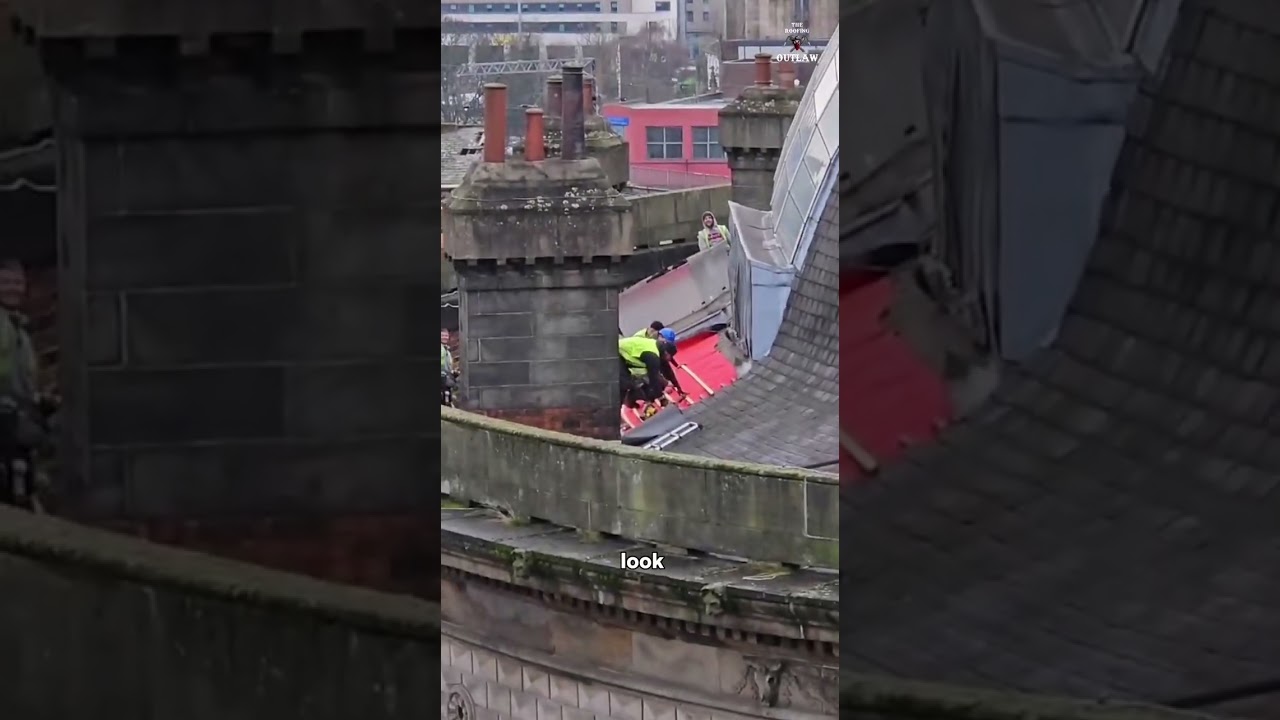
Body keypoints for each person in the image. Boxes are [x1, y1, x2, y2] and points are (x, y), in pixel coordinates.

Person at [0, 259, 43, 509]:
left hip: (16, 414)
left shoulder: (18, 327)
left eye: (17, 282)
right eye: (5, 282)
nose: (12, 288)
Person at [618, 335, 686, 412]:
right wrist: (661, 398)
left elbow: (668, 371)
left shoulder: (658, 349)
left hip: (629, 354)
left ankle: (647, 399)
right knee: (629, 383)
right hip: (617, 353)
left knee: (647, 379)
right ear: (666, 353)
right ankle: (633, 403)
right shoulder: (652, 356)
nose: (669, 359)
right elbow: (653, 379)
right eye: (669, 357)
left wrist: (678, 388)